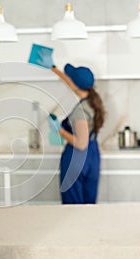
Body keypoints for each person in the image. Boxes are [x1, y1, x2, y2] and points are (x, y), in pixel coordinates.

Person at [36, 52, 105, 204]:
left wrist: (58, 129)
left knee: (72, 208)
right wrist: (53, 68)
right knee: (88, 207)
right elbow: (72, 82)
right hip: (93, 157)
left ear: (76, 85)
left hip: (77, 158)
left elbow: (81, 144)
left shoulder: (82, 111)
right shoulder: (92, 100)